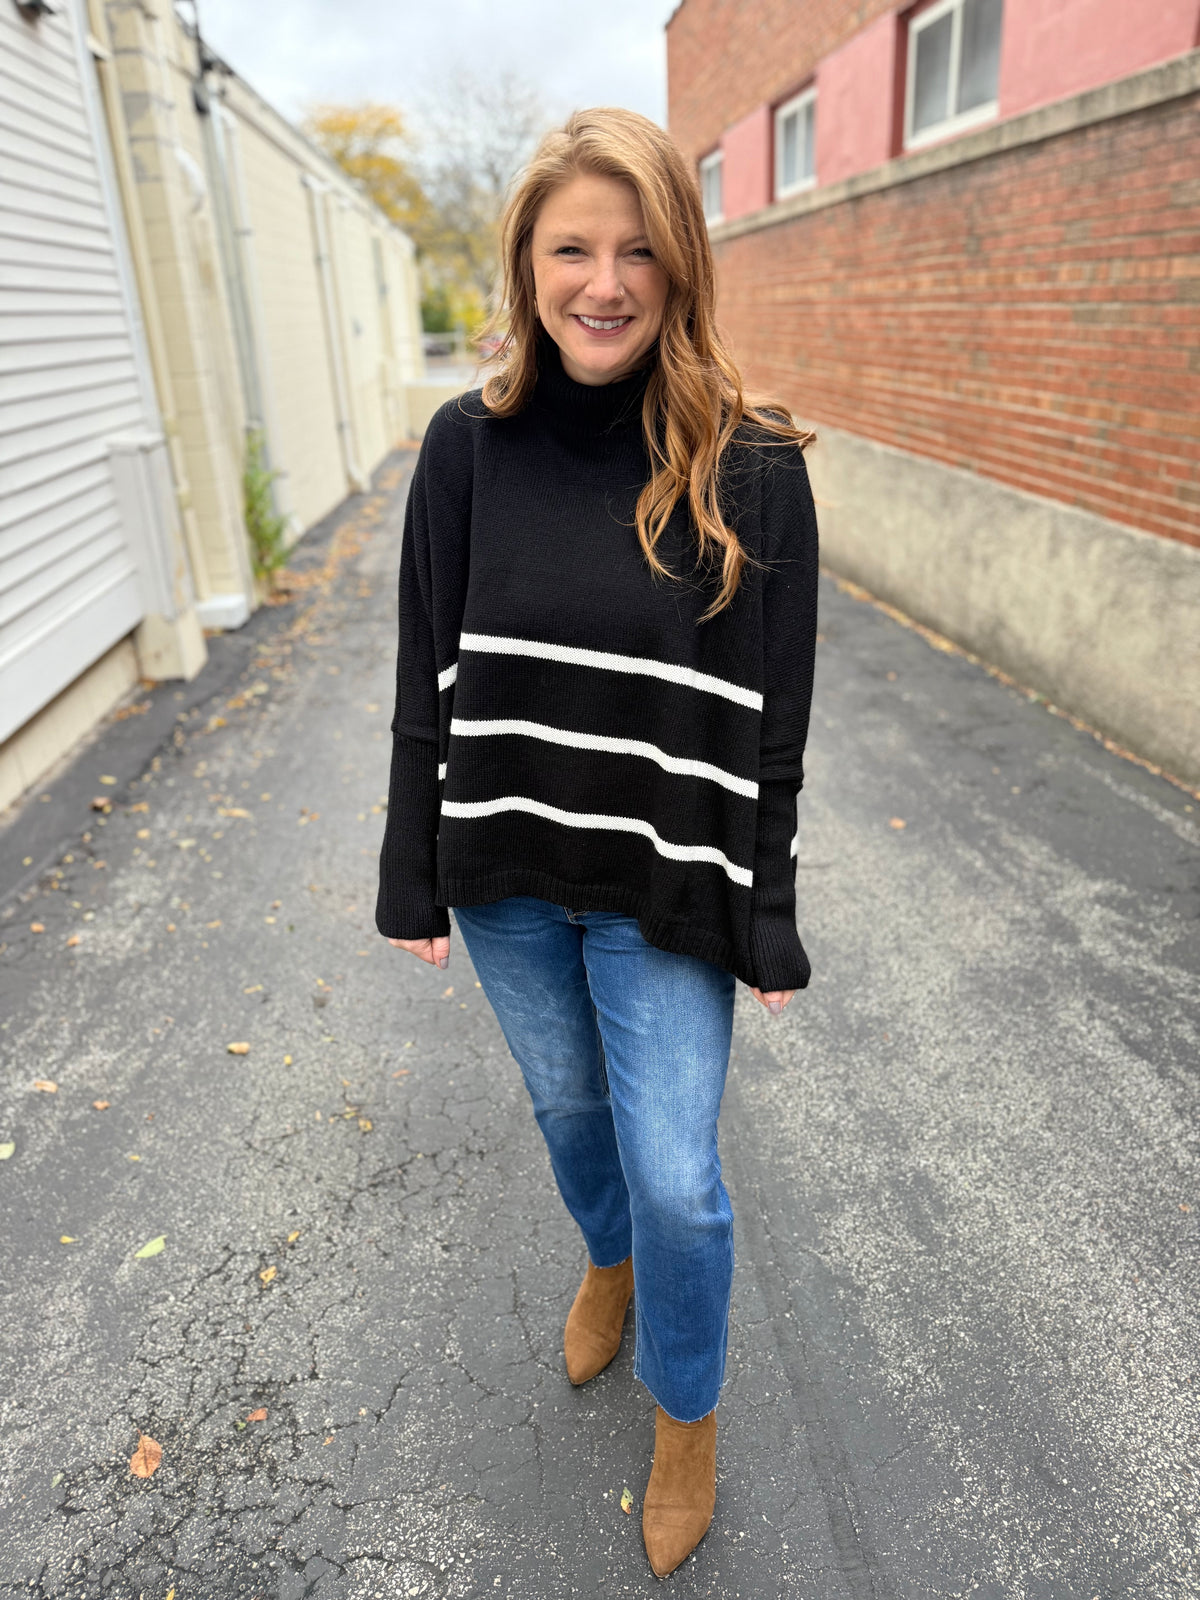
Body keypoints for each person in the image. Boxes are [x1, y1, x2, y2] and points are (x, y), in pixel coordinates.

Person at [376, 106, 819, 1579]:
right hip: (506, 871)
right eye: (573, 249)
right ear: (526, 264)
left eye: (639, 250)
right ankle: (606, 1263)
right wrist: (408, 874)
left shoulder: (751, 466)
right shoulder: (466, 448)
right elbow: (425, 669)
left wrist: (769, 912)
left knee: (678, 1171)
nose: (605, 283)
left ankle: (685, 1415)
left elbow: (774, 722)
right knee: (574, 1118)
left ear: (681, 265)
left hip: (662, 882)